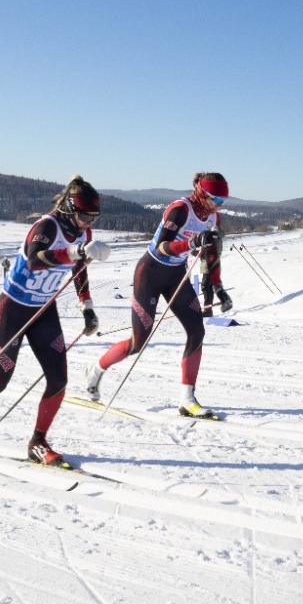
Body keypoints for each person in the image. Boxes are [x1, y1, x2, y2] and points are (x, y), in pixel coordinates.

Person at [0, 176, 110, 464]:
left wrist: (87, 306)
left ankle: (38, 441)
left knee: (59, 379)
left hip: (44, 311)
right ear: (71, 208)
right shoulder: (47, 226)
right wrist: (76, 251)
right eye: (85, 216)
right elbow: (36, 260)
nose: (88, 223)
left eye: (94, 218)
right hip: (13, 309)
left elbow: (78, 269)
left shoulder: (83, 234)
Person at [85, 171, 228, 418]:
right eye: (215, 199)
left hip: (176, 276)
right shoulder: (180, 209)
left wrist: (218, 288)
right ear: (202, 193)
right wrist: (191, 244)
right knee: (138, 341)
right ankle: (96, 369)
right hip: (150, 273)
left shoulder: (213, 217)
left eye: (222, 201)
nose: (218, 205)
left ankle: (187, 399)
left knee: (197, 331)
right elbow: (162, 248)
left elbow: (212, 254)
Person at [195, 227, 233, 316]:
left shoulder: (212, 238)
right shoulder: (217, 238)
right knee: (209, 286)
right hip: (213, 264)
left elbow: (205, 253)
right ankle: (213, 307)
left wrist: (194, 251)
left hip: (209, 265)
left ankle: (209, 310)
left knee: (206, 286)